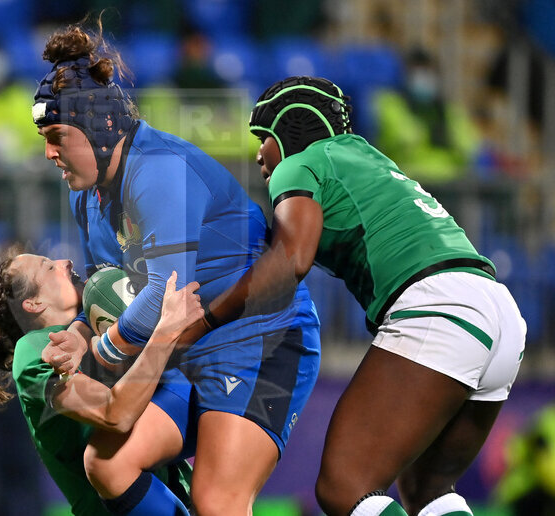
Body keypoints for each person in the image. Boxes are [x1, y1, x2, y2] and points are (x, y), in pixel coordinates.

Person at [198, 75, 526, 516]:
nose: (259, 153)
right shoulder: (369, 157)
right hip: (499, 313)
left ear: (291, 129)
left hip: (440, 306)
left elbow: (291, 261)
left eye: (263, 137)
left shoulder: (302, 162)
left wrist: (204, 319)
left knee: (345, 486)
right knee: (428, 488)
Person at [33, 21, 322, 515]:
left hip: (257, 340)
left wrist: (100, 348)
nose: (48, 152)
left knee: (217, 502)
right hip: (183, 348)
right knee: (107, 465)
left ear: (101, 129)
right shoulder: (89, 196)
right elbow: (111, 289)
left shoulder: (159, 169)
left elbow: (166, 295)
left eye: (58, 135)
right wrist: (82, 331)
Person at [0, 246, 203, 515]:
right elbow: (115, 413)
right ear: (34, 304)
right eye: (49, 266)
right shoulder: (34, 352)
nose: (66, 262)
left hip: (170, 492)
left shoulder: (99, 326)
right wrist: (165, 332)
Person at [371, 47, 482, 184]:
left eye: (428, 72)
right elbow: (401, 140)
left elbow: (469, 147)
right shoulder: (390, 103)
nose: (423, 78)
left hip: (451, 184)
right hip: (408, 181)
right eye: (417, 72)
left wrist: (447, 133)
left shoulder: (447, 110)